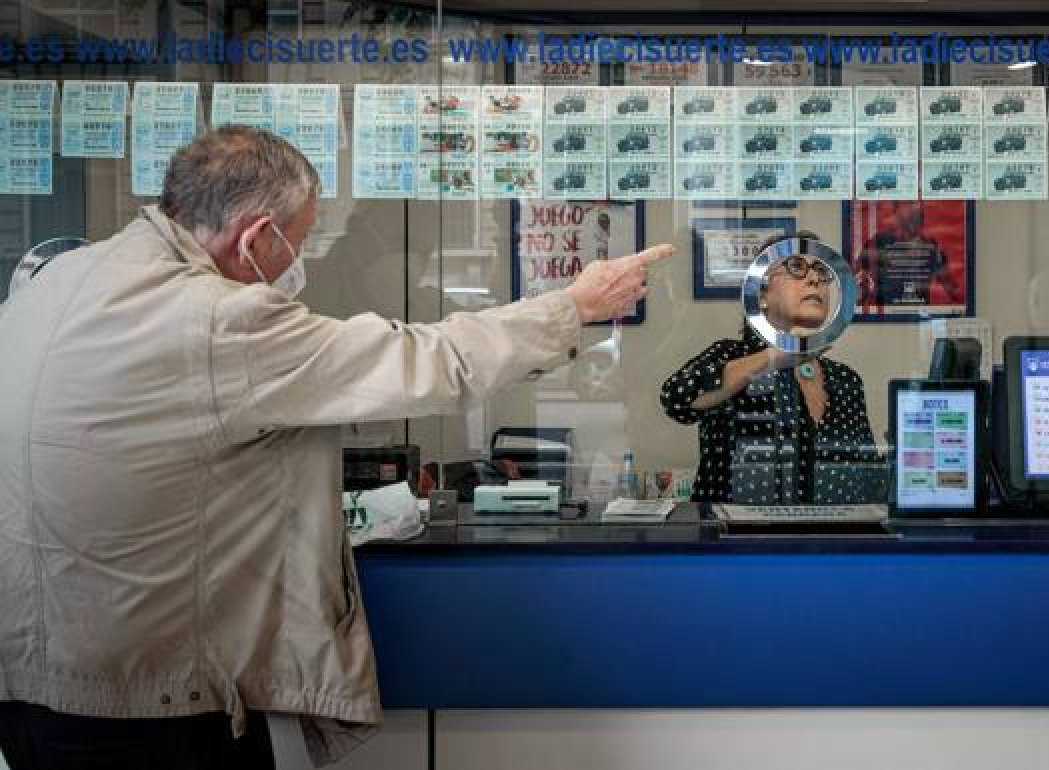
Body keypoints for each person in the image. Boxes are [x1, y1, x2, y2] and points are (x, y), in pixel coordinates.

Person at [0, 125, 672, 770]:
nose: (297, 264)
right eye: (299, 244)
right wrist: (573, 306)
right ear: (257, 238)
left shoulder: (56, 283)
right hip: (153, 708)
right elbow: (427, 362)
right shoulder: (218, 319)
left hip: (31, 690)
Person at [660, 233, 879, 504]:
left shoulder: (845, 379)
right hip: (737, 541)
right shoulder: (730, 356)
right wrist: (776, 356)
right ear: (761, 293)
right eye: (796, 267)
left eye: (822, 270)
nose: (814, 279)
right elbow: (676, 400)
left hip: (830, 541)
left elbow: (867, 475)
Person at [853, 200, 963, 311]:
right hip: (887, 320)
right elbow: (855, 282)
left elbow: (952, 288)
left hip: (919, 320)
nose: (915, 208)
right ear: (896, 210)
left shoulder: (931, 246)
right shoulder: (879, 242)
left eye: (917, 205)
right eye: (909, 203)